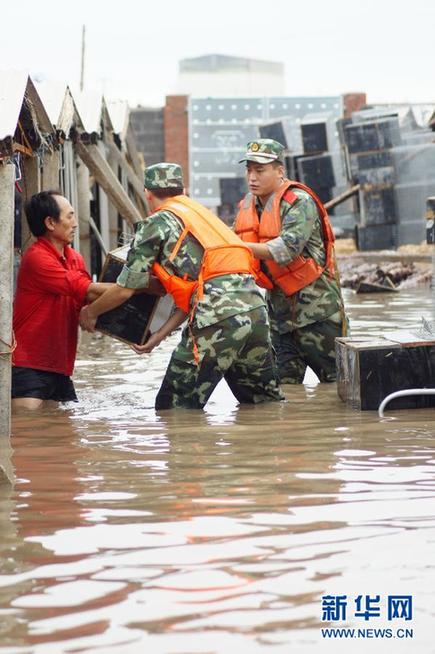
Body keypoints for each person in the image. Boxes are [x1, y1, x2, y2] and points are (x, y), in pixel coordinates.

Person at [80, 163, 283, 410]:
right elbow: (198, 291)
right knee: (264, 406)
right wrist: (158, 337)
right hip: (255, 311)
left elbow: (125, 289)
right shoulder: (203, 218)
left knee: (173, 409)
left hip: (217, 317)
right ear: (183, 190)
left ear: (147, 193)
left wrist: (90, 313)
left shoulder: (155, 224)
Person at [234, 139, 348, 384]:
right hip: (279, 319)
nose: (252, 177)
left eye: (260, 170)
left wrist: (234, 246)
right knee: (282, 391)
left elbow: (286, 249)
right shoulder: (248, 206)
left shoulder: (299, 202)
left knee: (338, 385)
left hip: (317, 316)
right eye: (249, 170)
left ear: (279, 170)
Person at [12, 190, 113, 409]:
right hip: (27, 365)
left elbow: (86, 308)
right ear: (50, 222)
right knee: (28, 434)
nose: (75, 223)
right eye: (69, 216)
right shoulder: (36, 258)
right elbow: (89, 292)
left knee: (63, 436)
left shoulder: (74, 258)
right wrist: (133, 287)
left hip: (61, 367)